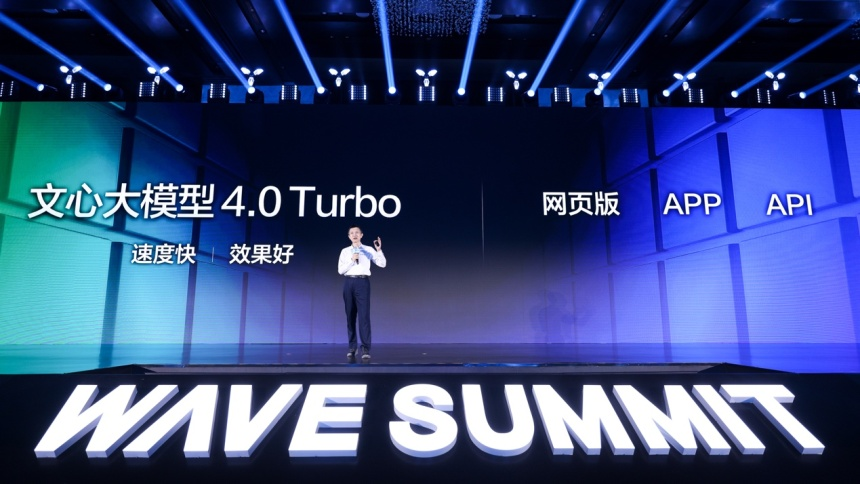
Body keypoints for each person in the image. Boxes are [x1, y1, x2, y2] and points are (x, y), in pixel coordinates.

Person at [337, 225, 386, 360]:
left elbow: (382, 264)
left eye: (357, 232)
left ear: (361, 235)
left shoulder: (368, 249)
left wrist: (379, 250)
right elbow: (340, 270)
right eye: (352, 233)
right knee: (350, 316)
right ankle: (352, 347)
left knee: (364, 316)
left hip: (363, 283)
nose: (354, 235)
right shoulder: (345, 251)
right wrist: (352, 260)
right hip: (349, 282)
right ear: (349, 236)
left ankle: (365, 348)